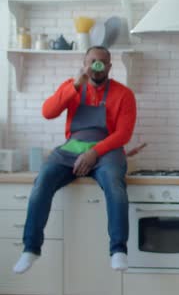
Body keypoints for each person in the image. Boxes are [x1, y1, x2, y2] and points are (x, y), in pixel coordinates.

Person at [13, 46, 137, 274]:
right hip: (72, 148)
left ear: (109, 66)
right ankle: (30, 248)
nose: (96, 66)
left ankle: (119, 249)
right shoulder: (72, 86)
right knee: (43, 180)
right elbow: (47, 112)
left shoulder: (124, 94)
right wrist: (74, 87)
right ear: (84, 64)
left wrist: (94, 153)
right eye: (92, 61)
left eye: (101, 62)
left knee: (114, 183)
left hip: (107, 149)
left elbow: (123, 134)